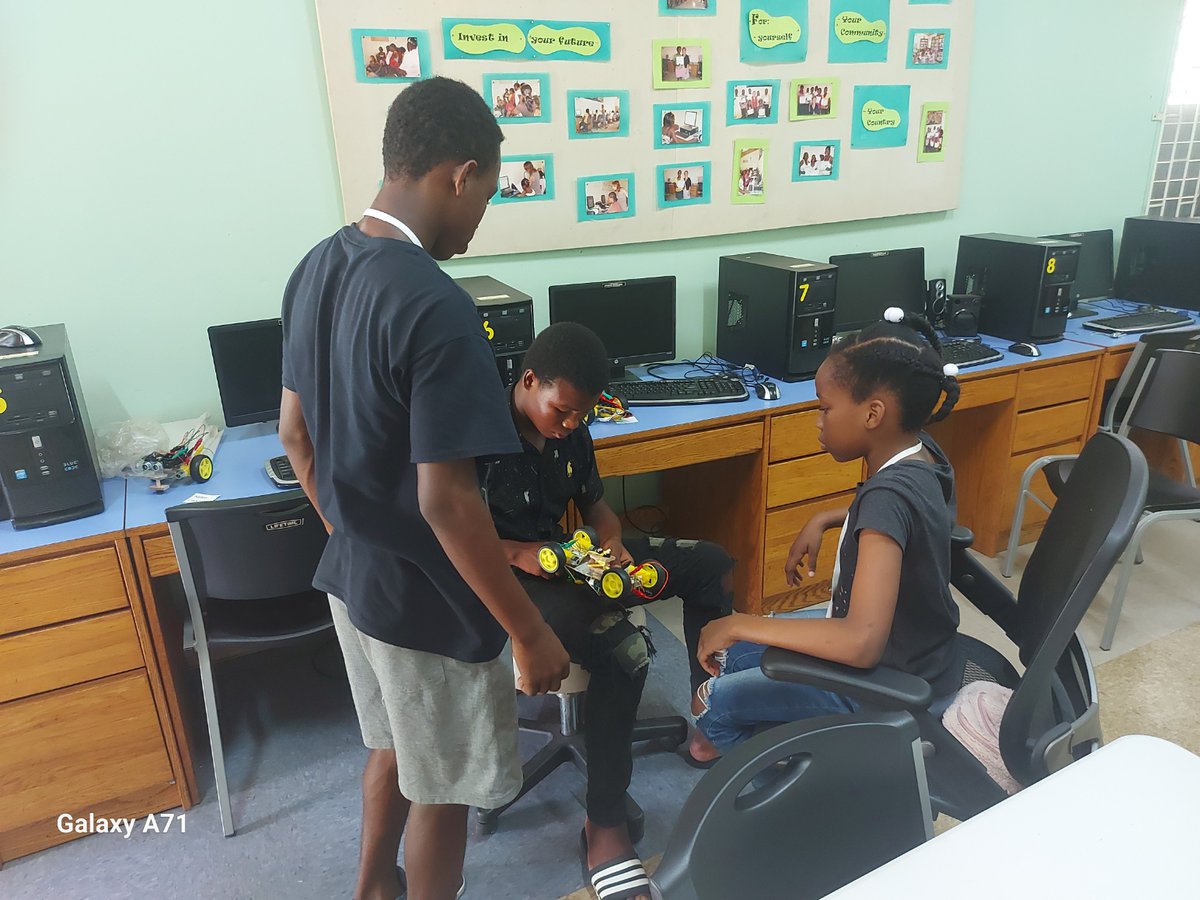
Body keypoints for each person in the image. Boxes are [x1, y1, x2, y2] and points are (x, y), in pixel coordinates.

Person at [278, 77, 570, 900]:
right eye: (489, 195)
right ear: (459, 173)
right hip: (430, 609)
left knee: (396, 750)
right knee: (440, 789)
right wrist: (528, 631)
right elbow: (448, 501)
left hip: (353, 585)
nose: (481, 218)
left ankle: (372, 888)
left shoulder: (316, 265)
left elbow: (293, 435)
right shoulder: (437, 307)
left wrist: (349, 532)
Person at [478, 322, 734, 900]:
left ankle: (712, 716)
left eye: (581, 415)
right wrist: (517, 550)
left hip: (572, 560)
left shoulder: (573, 430)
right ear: (528, 380)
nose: (570, 424)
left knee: (711, 564)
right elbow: (445, 535)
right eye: (562, 411)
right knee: (627, 650)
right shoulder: (477, 435)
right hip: (510, 581)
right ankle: (605, 822)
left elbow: (598, 509)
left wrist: (611, 541)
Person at [686, 309, 963, 763]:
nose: (819, 421)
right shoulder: (922, 453)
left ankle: (801, 796)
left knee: (713, 702)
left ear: (873, 413)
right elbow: (899, 513)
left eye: (825, 408)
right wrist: (828, 517)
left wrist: (738, 621)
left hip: (883, 685)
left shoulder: (885, 500)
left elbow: (860, 642)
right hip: (928, 656)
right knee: (734, 658)